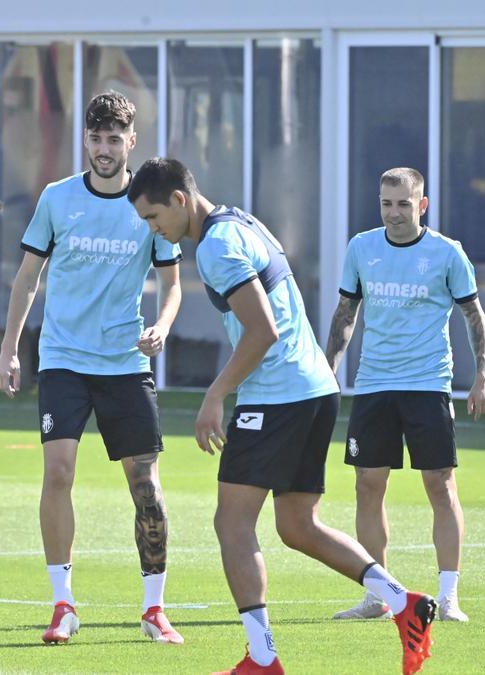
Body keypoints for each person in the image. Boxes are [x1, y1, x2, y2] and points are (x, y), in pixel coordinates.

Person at [128, 157, 437, 675]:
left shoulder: (217, 247)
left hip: (280, 395)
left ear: (179, 201)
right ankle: (404, 603)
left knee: (231, 522)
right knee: (297, 524)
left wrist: (215, 396)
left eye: (153, 217)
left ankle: (263, 659)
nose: (153, 229)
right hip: (315, 388)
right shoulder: (242, 221)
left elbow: (263, 330)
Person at [0, 91, 185, 646]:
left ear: (131, 142)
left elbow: (171, 284)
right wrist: (9, 349)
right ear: (86, 141)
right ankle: (63, 605)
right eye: (96, 138)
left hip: (126, 364)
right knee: (58, 475)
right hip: (63, 361)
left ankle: (153, 609)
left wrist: (163, 326)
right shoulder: (56, 198)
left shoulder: (147, 205)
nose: (104, 149)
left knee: (145, 484)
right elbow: (27, 279)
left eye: (114, 139)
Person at [326, 167, 485, 623]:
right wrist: (330, 370)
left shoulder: (447, 253)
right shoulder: (361, 248)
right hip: (375, 384)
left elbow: (473, 315)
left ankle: (450, 596)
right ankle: (378, 596)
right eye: (386, 203)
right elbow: (346, 312)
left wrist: (484, 375)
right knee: (367, 487)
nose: (394, 212)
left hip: (428, 384)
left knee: (440, 487)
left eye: (403, 203)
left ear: (423, 205)